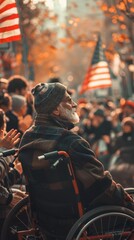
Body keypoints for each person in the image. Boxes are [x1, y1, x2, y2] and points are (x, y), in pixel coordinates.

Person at [18, 82, 134, 240]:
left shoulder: (27, 137)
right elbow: (102, 185)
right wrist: (127, 200)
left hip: (45, 221)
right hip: (80, 222)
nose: (74, 104)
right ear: (56, 109)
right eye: (68, 99)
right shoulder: (70, 142)